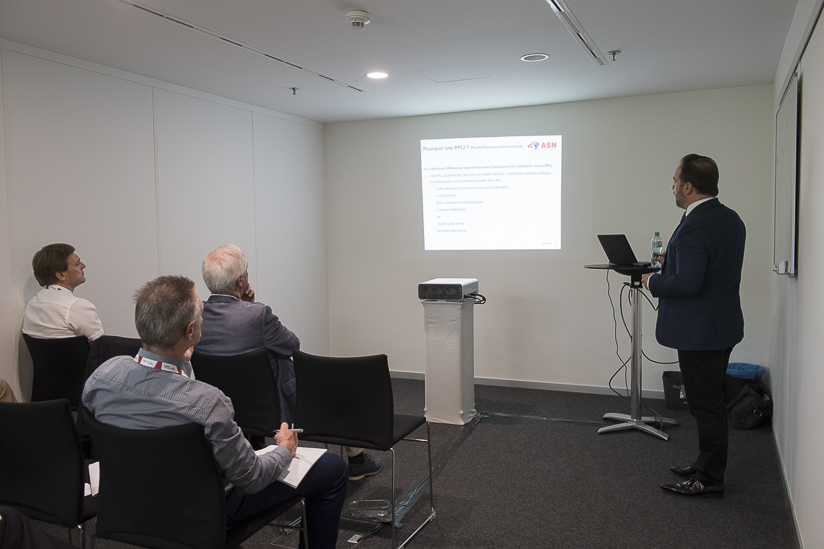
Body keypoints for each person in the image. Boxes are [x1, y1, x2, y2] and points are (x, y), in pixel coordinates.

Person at [82, 275, 347, 548]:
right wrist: (284, 449)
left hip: (128, 500)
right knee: (333, 468)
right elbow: (251, 478)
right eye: (201, 314)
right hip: (200, 510)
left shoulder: (103, 376)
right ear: (190, 331)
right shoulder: (207, 402)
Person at [196, 245, 382, 480]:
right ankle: (357, 460)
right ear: (240, 281)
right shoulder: (258, 315)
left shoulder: (195, 317)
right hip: (278, 406)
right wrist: (249, 306)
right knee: (335, 385)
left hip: (224, 410)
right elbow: (292, 345)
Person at [642, 154, 746, 498]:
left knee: (705, 406)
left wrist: (651, 280)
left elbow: (688, 284)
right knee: (711, 401)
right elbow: (714, 267)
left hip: (700, 333)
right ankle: (705, 464)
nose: (672, 187)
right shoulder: (730, 218)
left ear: (688, 186)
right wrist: (672, 260)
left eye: (675, 181)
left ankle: (710, 478)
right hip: (723, 326)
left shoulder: (695, 225)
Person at [22, 243, 104, 342]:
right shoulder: (77, 306)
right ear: (61, 275)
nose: (83, 266)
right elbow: (102, 345)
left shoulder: (33, 304)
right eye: (77, 264)